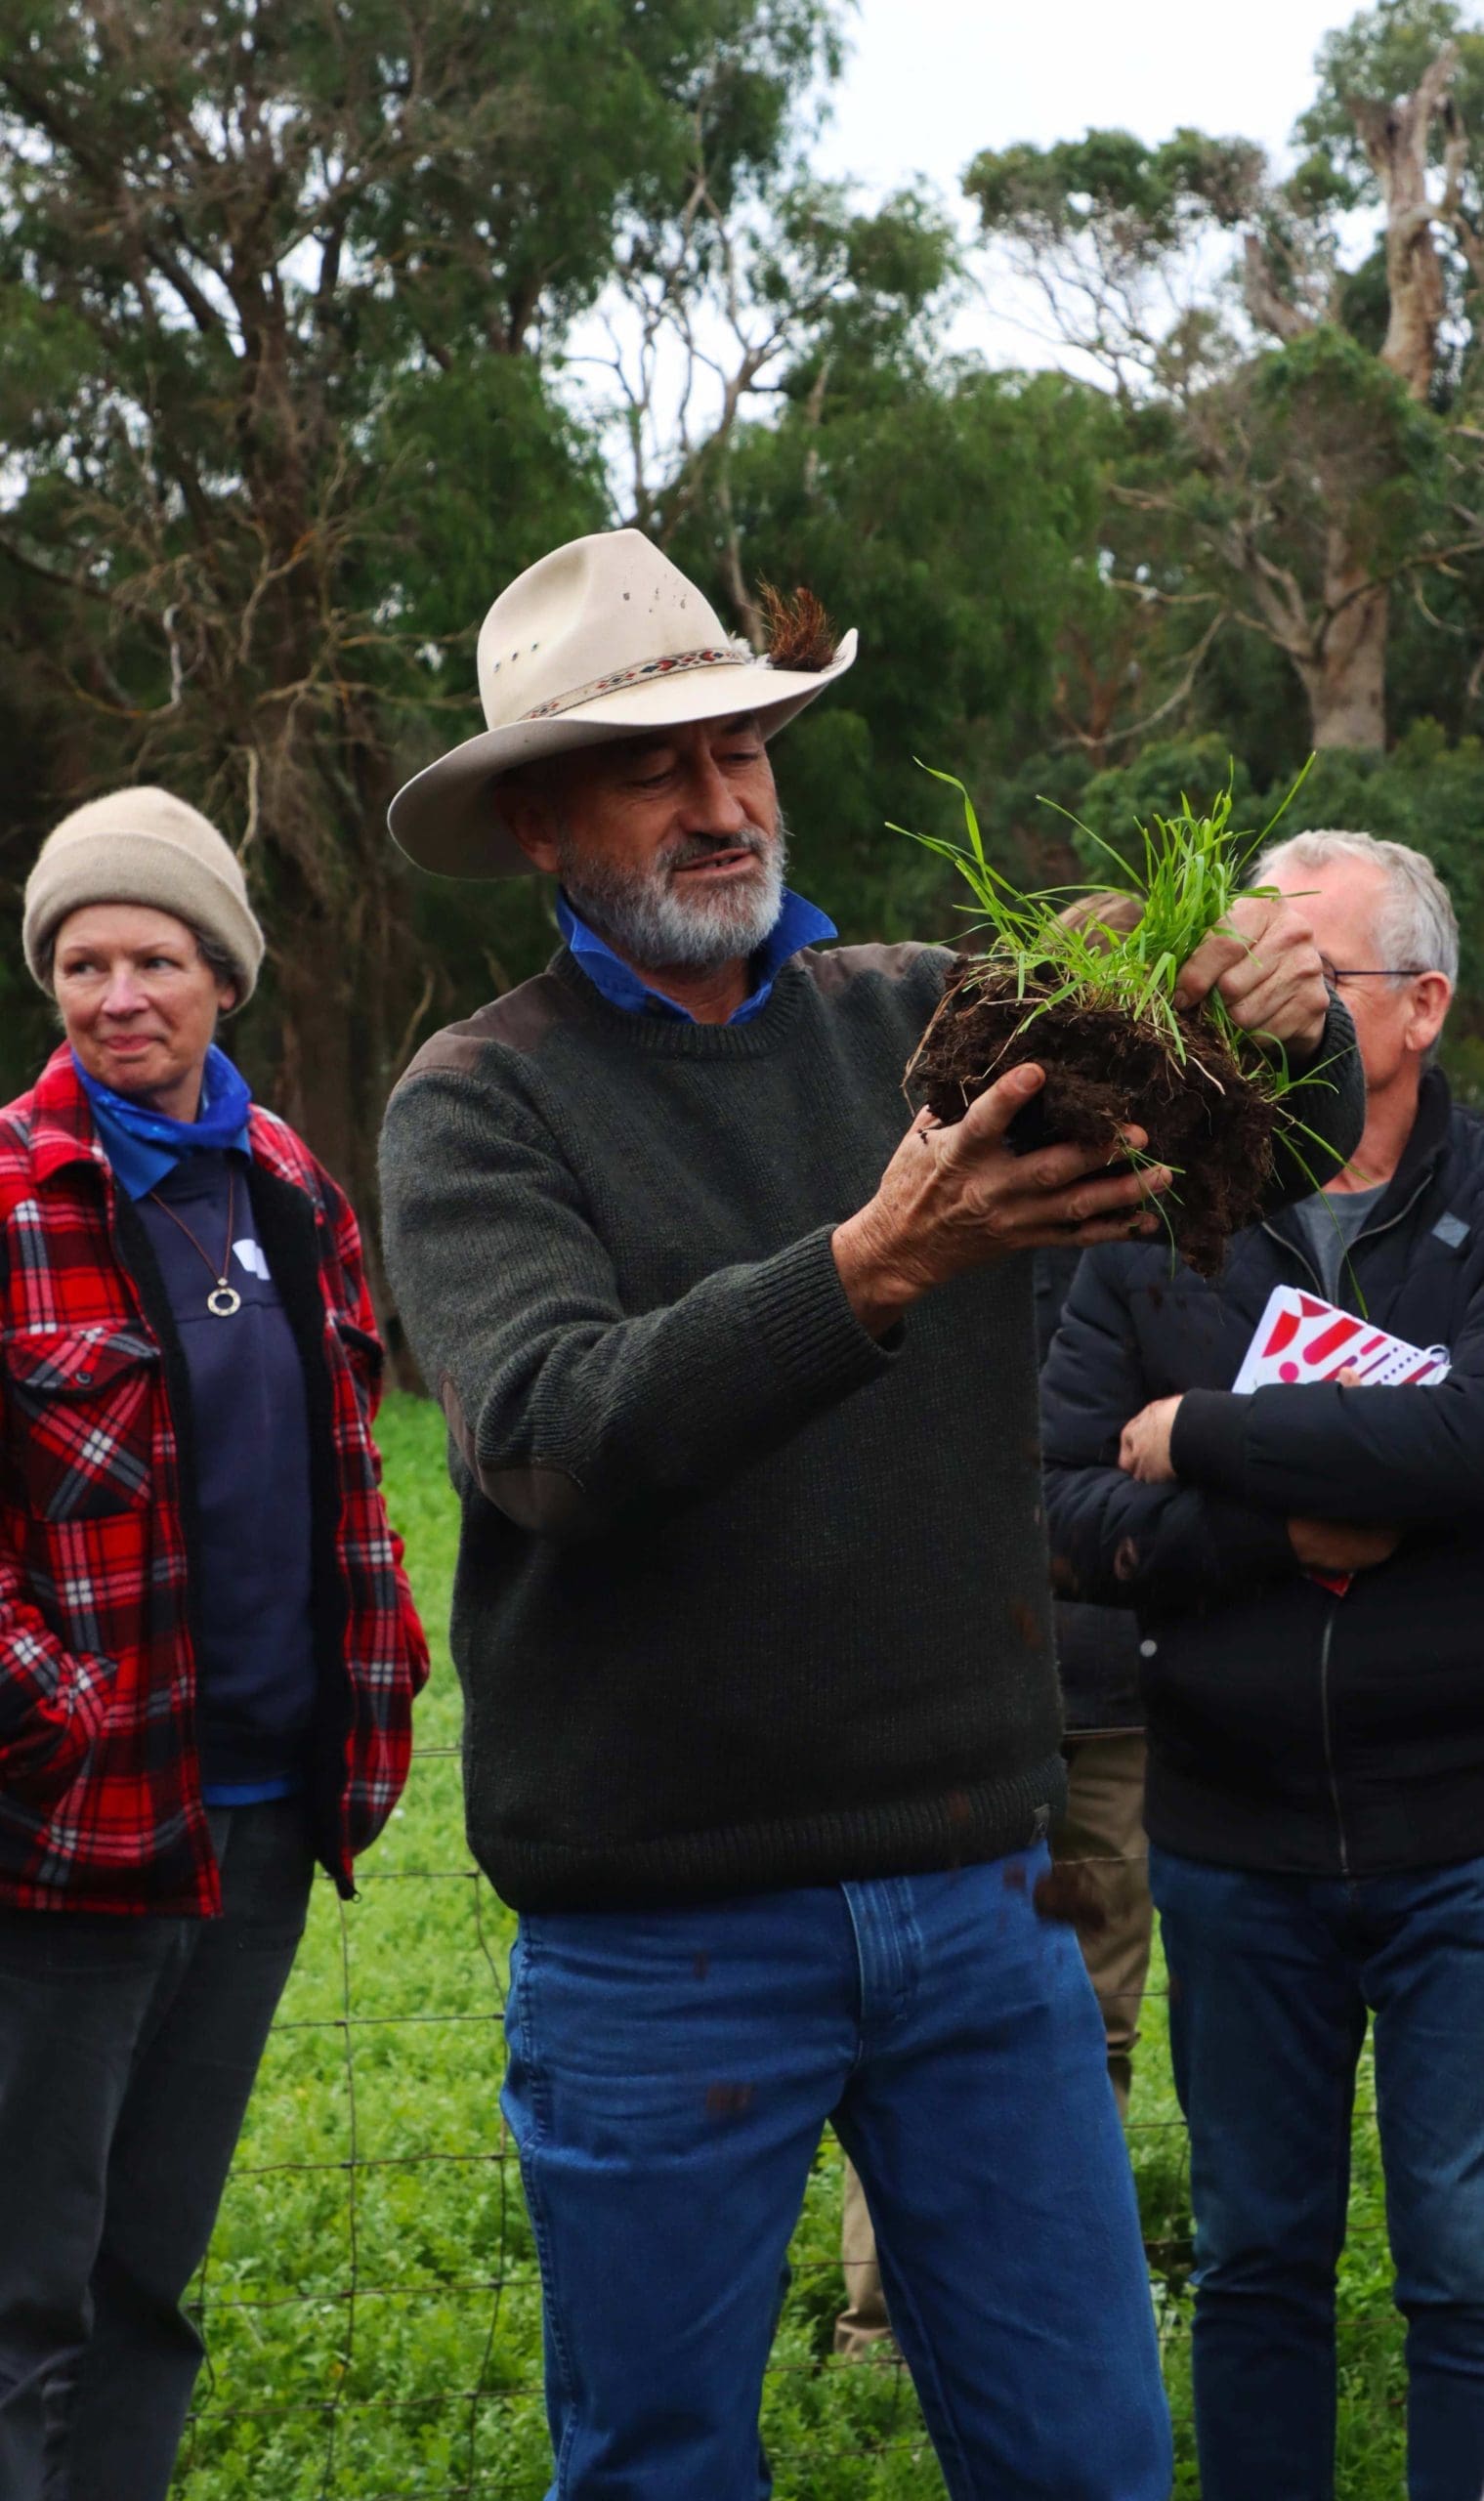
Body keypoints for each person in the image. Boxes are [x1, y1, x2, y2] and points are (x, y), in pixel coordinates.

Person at [378, 527, 1360, 2500]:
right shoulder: (477, 1101)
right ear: (545, 817)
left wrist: (1279, 1018)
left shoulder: (935, 1019)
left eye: (742, 747)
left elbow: (1277, 1164)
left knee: (1086, 2453)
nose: (723, 794)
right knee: (658, 2462)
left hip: (978, 1898)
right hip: (659, 1927)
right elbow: (559, 1430)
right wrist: (875, 1260)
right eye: (659, 763)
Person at [1042, 828, 1484, 2501]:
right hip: (1229, 1842)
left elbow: (1476, 1437)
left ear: (1422, 1005)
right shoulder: (1154, 1222)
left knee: (1467, 2269)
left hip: (1466, 1832)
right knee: (1255, 2266)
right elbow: (1064, 1502)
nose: (1262, 1008)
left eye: (1312, 973)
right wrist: (1280, 1529)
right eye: (1241, 977)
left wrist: (1208, 1434)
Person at [0, 786, 429, 2501]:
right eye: (82, 961)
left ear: (223, 978)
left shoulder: (291, 1186)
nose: (119, 996)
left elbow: (352, 1469)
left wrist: (377, 1670)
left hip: (255, 1822)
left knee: (145, 2282)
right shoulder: (15, 1200)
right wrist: (66, 1717)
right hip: (69, 1836)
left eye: (155, 956)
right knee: (23, 2289)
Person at [835, 898, 1155, 2363]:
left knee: (1079, 2003)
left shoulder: (1158, 1208)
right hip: (947, 1677)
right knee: (917, 2007)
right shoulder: (929, 1190)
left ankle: (1034, 2309)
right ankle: (888, 2311)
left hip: (1095, 1682)